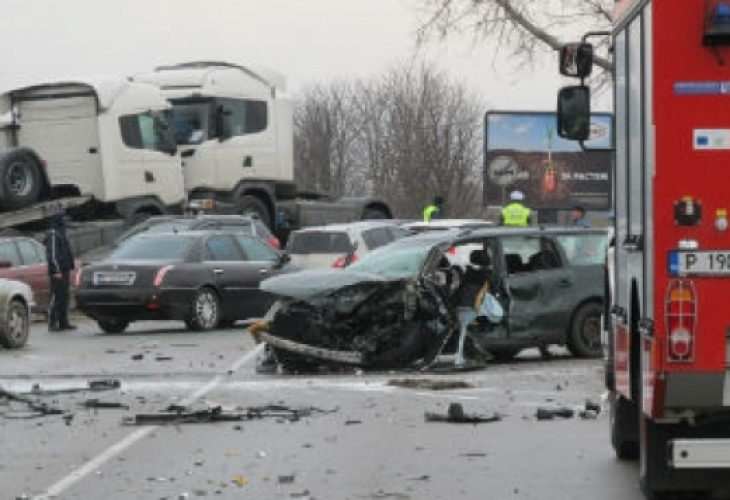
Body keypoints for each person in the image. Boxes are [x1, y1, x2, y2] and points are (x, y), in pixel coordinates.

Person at [44, 210, 77, 332]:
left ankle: (63, 322)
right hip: (57, 271)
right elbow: (52, 255)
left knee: (64, 296)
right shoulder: (53, 234)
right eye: (64, 220)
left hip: (65, 269)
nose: (66, 222)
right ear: (59, 220)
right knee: (56, 296)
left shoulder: (61, 233)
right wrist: (56, 270)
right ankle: (52, 322)